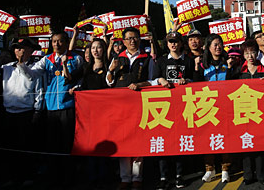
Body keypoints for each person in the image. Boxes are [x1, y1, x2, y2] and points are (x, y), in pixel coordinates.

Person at [129, 31, 194, 189]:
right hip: (164, 107)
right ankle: (164, 176)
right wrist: (160, 79)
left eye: (176, 41)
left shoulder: (189, 61)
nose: (173, 44)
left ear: (181, 43)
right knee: (162, 142)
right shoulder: (162, 61)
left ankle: (179, 175)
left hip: (183, 107)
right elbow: (153, 80)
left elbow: (196, 80)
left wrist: (188, 80)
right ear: (167, 44)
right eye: (170, 41)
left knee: (180, 141)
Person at [0, 38, 43, 185]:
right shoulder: (7, 67)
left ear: (30, 50)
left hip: (27, 113)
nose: (19, 51)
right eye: (17, 48)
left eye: (23, 48)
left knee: (26, 147)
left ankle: (29, 176)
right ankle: (13, 177)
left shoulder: (36, 68)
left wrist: (37, 111)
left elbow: (39, 92)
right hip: (9, 113)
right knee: (11, 147)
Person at [106, 27, 154, 190]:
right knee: (123, 141)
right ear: (124, 41)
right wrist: (111, 70)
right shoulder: (117, 58)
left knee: (138, 142)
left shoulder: (146, 58)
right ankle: (125, 178)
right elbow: (109, 82)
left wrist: (140, 84)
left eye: (135, 38)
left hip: (140, 105)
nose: (132, 41)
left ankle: (137, 177)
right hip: (121, 106)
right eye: (129, 38)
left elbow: (153, 80)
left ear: (140, 40)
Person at [32, 31, 83, 184]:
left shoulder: (76, 58)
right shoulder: (46, 60)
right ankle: (55, 176)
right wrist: (22, 62)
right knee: (53, 144)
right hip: (51, 107)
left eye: (60, 41)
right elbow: (32, 73)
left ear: (66, 43)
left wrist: (78, 87)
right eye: (54, 41)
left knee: (68, 143)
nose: (56, 44)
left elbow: (80, 78)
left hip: (68, 106)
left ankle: (70, 176)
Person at [69, 38, 110, 187]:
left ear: (104, 50)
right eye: (93, 48)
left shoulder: (109, 66)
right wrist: (75, 90)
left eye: (99, 47)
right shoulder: (86, 68)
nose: (96, 50)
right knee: (92, 143)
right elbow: (73, 80)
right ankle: (92, 176)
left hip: (106, 113)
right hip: (90, 114)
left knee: (105, 144)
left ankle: (105, 175)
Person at [195, 34, 234, 183]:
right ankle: (209, 169)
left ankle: (225, 169)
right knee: (208, 139)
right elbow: (196, 84)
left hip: (225, 107)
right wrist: (197, 68)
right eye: (215, 45)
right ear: (208, 47)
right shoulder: (203, 64)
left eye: (220, 44)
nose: (218, 47)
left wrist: (230, 69)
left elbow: (234, 83)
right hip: (207, 106)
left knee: (225, 138)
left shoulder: (227, 62)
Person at [237, 39, 264, 185]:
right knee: (246, 142)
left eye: (253, 52)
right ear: (243, 55)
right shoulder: (239, 71)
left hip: (259, 113)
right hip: (243, 111)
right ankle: (248, 175)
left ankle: (262, 175)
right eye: (247, 53)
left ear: (257, 53)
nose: (250, 56)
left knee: (260, 144)